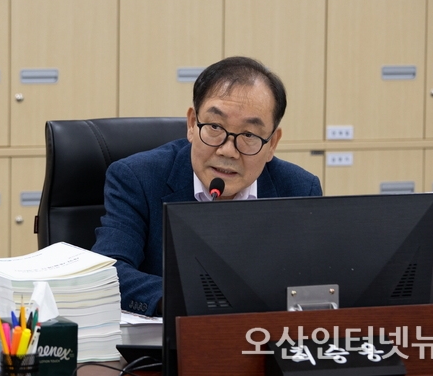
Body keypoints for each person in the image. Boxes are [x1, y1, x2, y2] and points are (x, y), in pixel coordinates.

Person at [91, 56, 322, 316]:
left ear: (272, 144)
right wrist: (187, 299)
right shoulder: (138, 178)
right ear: (192, 124)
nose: (228, 150)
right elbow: (109, 270)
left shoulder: (299, 189)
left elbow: (316, 284)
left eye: (248, 135)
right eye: (214, 127)